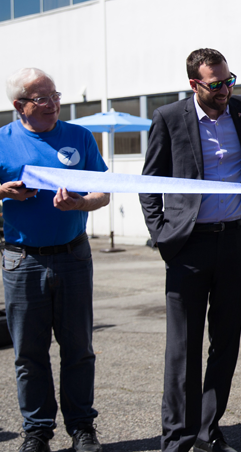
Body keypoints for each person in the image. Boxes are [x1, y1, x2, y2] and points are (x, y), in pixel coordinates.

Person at [139, 49, 241, 452]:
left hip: (234, 241)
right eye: (216, 85)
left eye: (229, 81)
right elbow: (150, 182)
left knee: (225, 342)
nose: (226, 90)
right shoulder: (168, 118)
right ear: (195, 84)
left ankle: (207, 431)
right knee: (183, 348)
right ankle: (176, 438)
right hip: (188, 246)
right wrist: (163, 234)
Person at [1, 68, 109, 452]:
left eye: (55, 96)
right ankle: (37, 432)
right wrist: (3, 192)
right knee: (29, 354)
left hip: (73, 256)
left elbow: (104, 191)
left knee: (79, 348)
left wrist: (80, 202)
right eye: (42, 98)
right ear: (20, 106)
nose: (53, 105)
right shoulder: (2, 142)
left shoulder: (79, 136)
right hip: (21, 260)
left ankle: (82, 428)